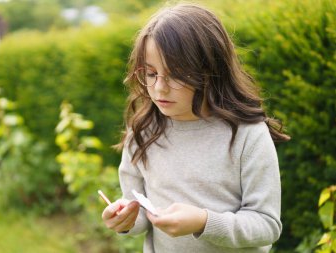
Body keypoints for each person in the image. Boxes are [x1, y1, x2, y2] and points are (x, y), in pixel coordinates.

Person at [101, 3, 290, 253]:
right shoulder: (143, 131)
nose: (159, 88)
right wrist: (125, 219)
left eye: (176, 75)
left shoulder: (247, 134)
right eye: (150, 73)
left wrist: (203, 222)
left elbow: (266, 225)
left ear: (211, 70)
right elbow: (140, 212)